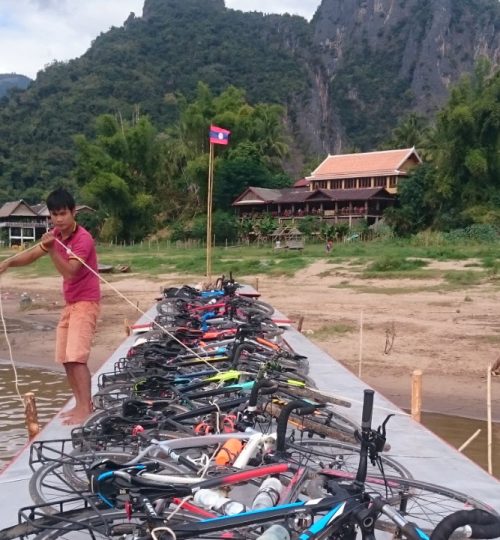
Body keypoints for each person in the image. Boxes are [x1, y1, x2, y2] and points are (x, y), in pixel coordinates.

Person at [0, 188, 100, 425]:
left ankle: (86, 408)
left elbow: (71, 274)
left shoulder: (82, 239)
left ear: (73, 212)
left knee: (77, 357)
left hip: (86, 302)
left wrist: (53, 249)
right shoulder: (56, 234)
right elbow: (33, 254)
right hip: (70, 303)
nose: (58, 219)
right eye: (54, 214)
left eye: (63, 213)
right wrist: (8, 263)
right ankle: (78, 404)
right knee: (65, 358)